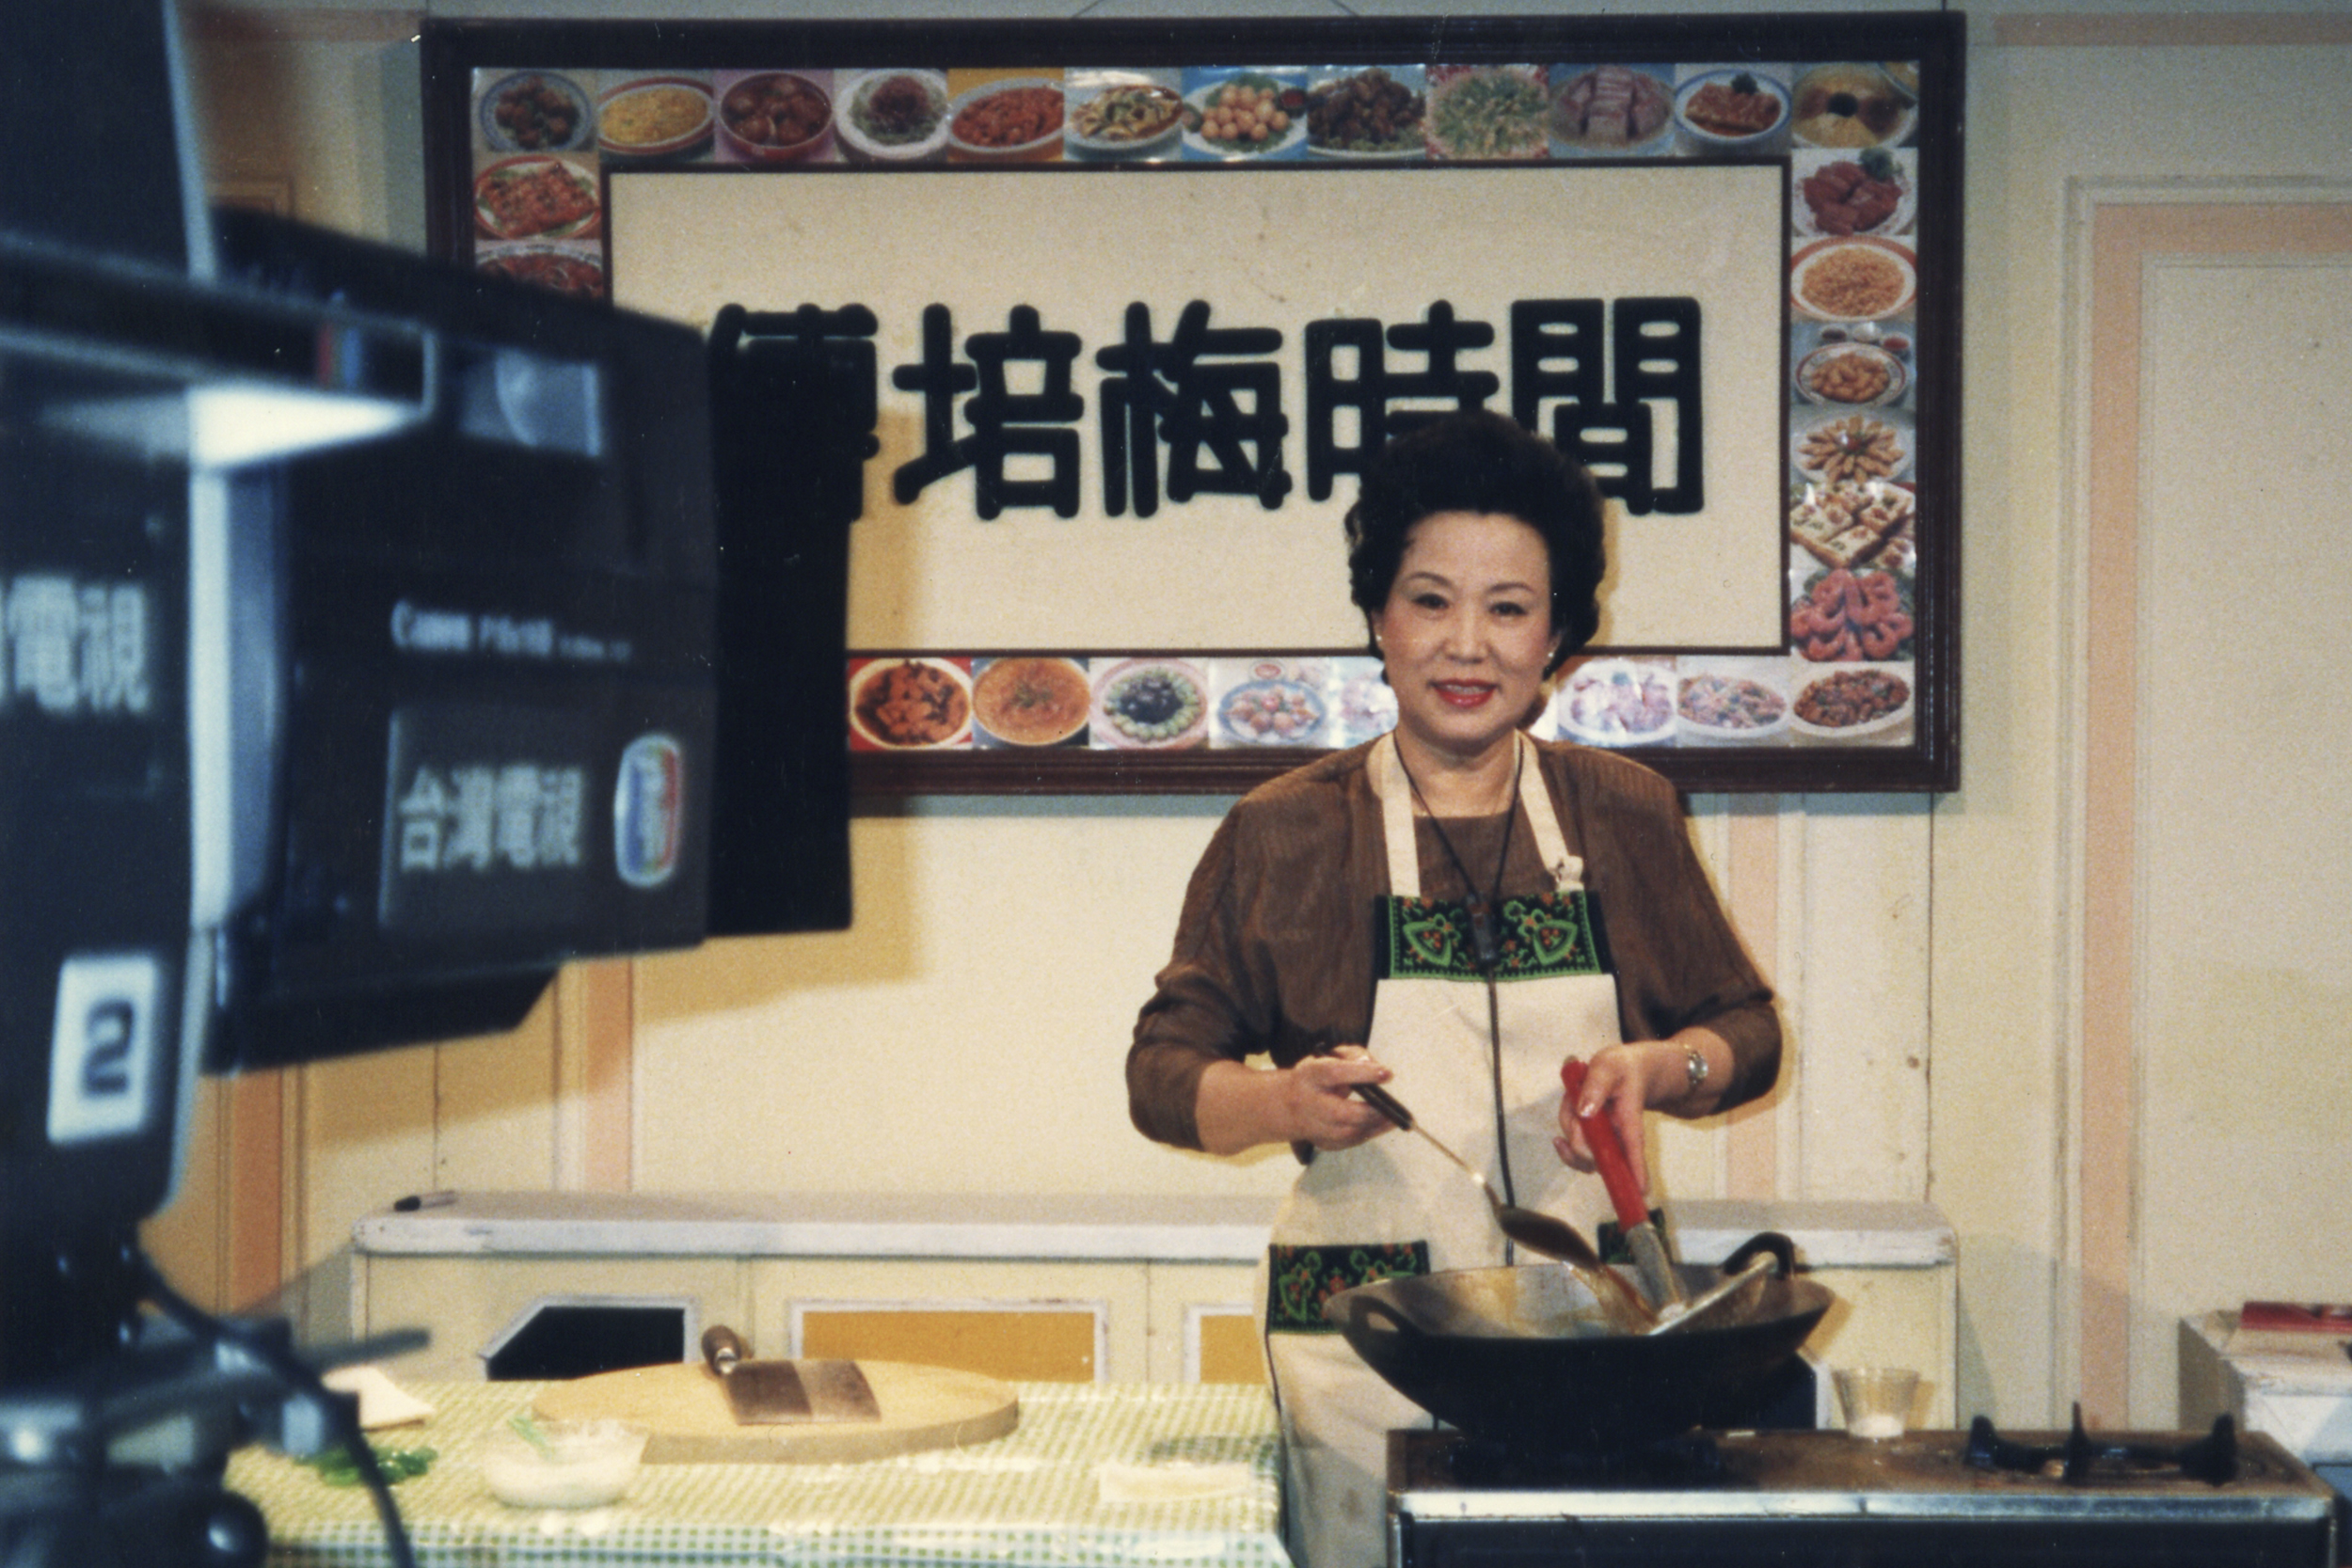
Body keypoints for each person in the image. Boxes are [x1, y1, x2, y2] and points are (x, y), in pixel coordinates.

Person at [1124, 410, 1780, 1568]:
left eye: (1508, 607)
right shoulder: (1283, 833)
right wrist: (1281, 1103)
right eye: (1429, 600)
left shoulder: (1621, 811)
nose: (1464, 645)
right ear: (1378, 618)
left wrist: (1654, 1068)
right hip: (1365, 1357)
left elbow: (1747, 1034)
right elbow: (1163, 1075)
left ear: (1560, 633)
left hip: (1594, 1348)